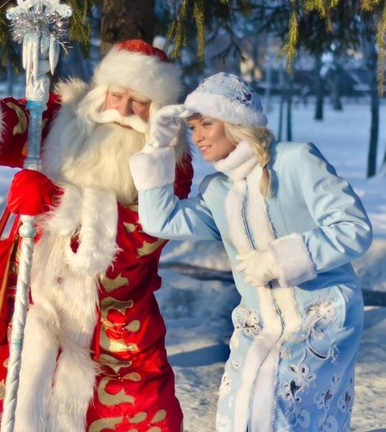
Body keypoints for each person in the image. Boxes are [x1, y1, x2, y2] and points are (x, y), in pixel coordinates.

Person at [0, 40, 193, 431]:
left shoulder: (170, 160)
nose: (126, 111)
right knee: (31, 412)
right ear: (102, 92)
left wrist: (58, 203)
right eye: (118, 95)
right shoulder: (66, 117)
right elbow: (14, 124)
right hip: (37, 312)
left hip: (119, 331)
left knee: (142, 418)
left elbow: (146, 235)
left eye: (141, 102)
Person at [128, 72, 373, 432]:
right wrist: (158, 146)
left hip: (323, 319)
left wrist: (279, 259)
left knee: (284, 417)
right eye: (192, 128)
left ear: (237, 123)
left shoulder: (296, 161)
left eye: (206, 124)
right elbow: (160, 221)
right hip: (256, 326)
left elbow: (354, 229)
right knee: (236, 417)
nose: (197, 137)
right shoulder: (218, 190)